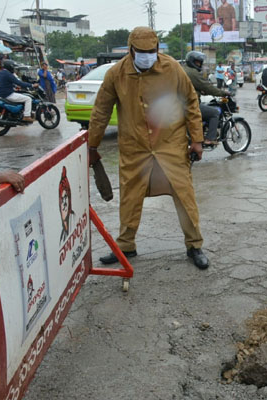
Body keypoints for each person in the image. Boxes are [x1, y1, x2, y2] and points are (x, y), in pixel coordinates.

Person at [88, 26, 210, 270]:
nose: (147, 55)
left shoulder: (172, 69)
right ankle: (126, 246)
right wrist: (91, 145)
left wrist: (197, 139)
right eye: (141, 51)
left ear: (157, 48)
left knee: (184, 196)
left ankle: (194, 245)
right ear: (131, 50)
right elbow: (101, 110)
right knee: (130, 198)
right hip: (135, 148)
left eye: (151, 50)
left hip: (171, 145)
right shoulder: (116, 74)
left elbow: (191, 102)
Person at [183, 51, 230, 145]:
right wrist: (223, 93)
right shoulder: (193, 73)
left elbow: (192, 87)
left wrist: (201, 91)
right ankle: (210, 139)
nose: (199, 64)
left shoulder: (184, 69)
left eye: (200, 62)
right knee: (214, 112)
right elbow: (207, 87)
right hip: (189, 105)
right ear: (192, 61)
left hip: (181, 103)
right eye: (198, 62)